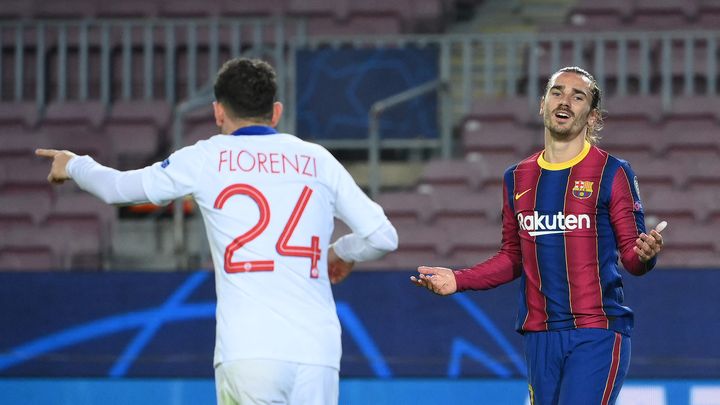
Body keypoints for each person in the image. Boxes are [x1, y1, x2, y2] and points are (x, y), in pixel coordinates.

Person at [37, 57, 398, 405]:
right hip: (317, 351)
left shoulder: (205, 158)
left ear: (218, 112)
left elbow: (119, 189)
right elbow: (383, 237)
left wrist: (74, 164)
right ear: (276, 112)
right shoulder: (317, 159)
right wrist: (341, 252)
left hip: (248, 350)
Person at [411, 66, 664, 405]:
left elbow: (632, 259)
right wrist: (459, 279)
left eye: (578, 96)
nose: (565, 101)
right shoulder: (517, 177)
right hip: (540, 335)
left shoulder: (612, 171)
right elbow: (513, 257)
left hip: (597, 330)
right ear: (542, 105)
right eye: (557, 92)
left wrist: (646, 255)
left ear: (592, 117)